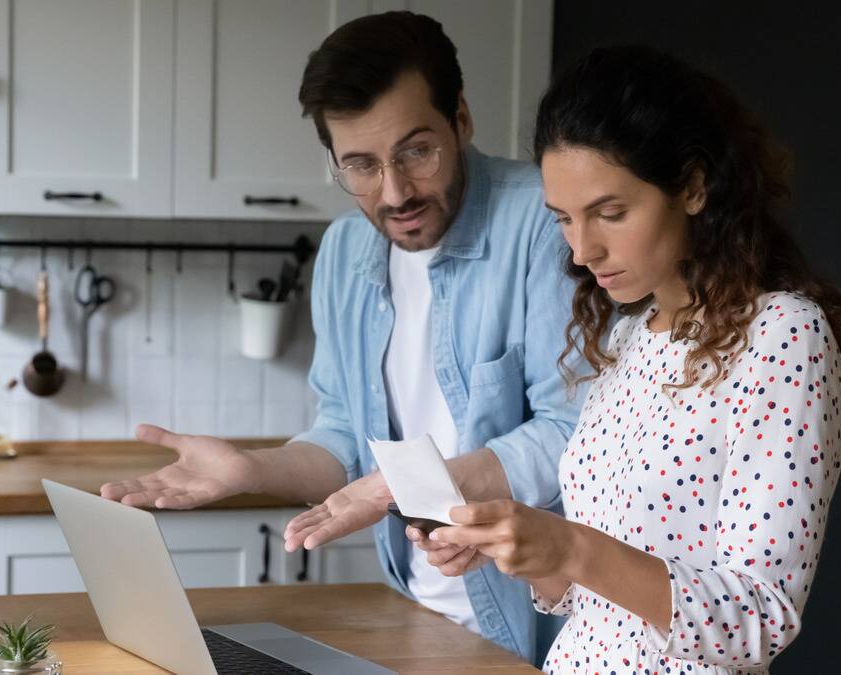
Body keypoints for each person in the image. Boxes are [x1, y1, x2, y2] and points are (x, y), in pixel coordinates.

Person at [100, 11, 582, 663]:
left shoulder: (544, 222)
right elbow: (344, 437)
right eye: (360, 165)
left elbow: (571, 432)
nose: (395, 191)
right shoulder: (345, 250)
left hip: (540, 623)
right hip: (414, 608)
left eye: (417, 151)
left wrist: (402, 486)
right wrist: (253, 469)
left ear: (461, 119)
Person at [415, 45, 841, 673]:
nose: (582, 251)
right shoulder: (630, 337)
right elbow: (600, 605)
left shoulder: (783, 337)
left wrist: (572, 548)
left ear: (691, 187)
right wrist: (531, 553)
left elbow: (760, 619)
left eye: (610, 213)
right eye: (564, 219)